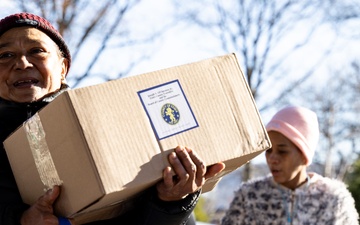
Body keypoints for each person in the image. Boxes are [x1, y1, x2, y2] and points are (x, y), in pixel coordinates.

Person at [0, 12, 225, 225]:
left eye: (36, 51)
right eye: (5, 55)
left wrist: (173, 201)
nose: (22, 63)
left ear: (63, 68)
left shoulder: (113, 125)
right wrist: (20, 220)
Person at [221, 106, 359, 225]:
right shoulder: (249, 196)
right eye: (268, 150)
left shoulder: (334, 199)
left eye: (282, 151)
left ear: (304, 155)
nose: (272, 158)